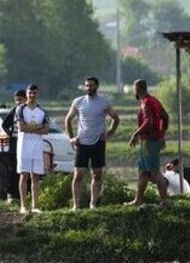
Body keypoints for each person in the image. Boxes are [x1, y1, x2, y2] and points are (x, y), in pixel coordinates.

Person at [65, 76, 120, 210]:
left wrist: (109, 133)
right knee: (78, 174)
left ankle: (93, 204)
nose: (89, 87)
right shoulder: (78, 101)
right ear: (84, 87)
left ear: (97, 86)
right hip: (82, 142)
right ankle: (76, 205)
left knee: (97, 173)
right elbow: (68, 120)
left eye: (92, 85)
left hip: (98, 142)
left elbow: (115, 118)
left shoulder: (104, 102)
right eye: (87, 85)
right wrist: (71, 138)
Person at [127, 79, 170, 207]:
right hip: (149, 141)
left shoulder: (146, 103)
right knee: (143, 172)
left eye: (134, 88)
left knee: (155, 172)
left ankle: (165, 201)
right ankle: (138, 200)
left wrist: (135, 133)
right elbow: (165, 117)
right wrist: (161, 134)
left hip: (149, 141)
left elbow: (148, 121)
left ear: (138, 89)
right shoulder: (154, 100)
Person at [16, 85, 50, 214]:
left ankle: (35, 205)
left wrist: (31, 127)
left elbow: (46, 130)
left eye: (34, 93)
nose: (32, 95)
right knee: (24, 175)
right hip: (23, 147)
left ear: (38, 94)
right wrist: (38, 127)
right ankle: (23, 206)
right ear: (26, 94)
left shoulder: (42, 111)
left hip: (37, 147)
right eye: (30, 93)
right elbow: (22, 128)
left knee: (35, 177)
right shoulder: (21, 109)